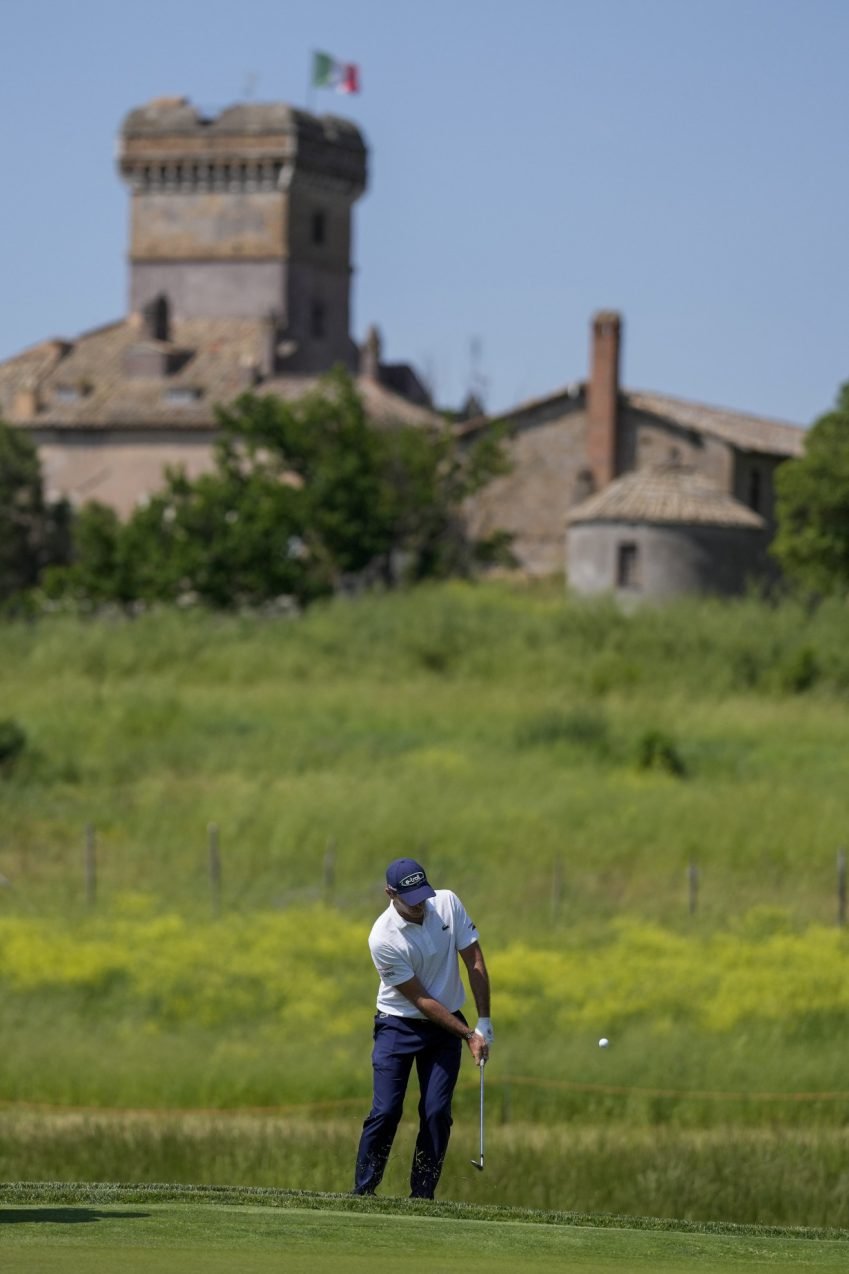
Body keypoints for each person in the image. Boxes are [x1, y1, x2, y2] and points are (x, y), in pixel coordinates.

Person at [352, 857, 493, 1199]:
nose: (420, 906)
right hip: (397, 1025)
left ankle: (422, 1196)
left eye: (422, 895)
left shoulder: (446, 903)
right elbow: (421, 1001)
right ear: (390, 893)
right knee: (386, 1111)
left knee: (436, 1113)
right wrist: (466, 1034)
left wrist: (484, 1021)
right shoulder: (383, 938)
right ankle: (364, 1190)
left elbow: (473, 959)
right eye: (411, 899)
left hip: (445, 1028)